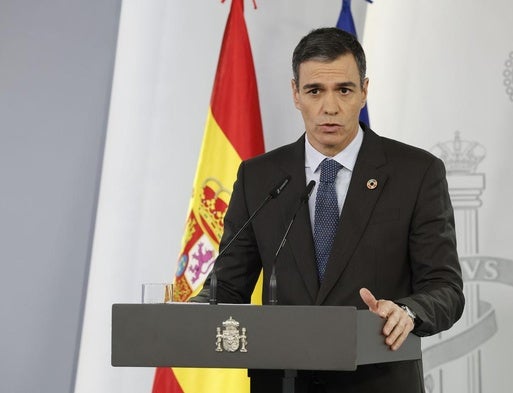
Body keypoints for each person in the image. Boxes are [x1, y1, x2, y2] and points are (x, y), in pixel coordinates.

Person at [190, 27, 464, 393]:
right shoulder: (259, 177)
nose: (329, 107)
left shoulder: (416, 172)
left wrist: (408, 312)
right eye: (315, 91)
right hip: (283, 382)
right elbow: (227, 287)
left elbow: (445, 288)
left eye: (344, 90)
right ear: (295, 94)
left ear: (364, 91)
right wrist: (190, 311)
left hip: (377, 382)